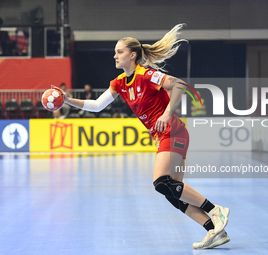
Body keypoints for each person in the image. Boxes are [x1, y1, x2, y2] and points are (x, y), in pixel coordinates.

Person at [54, 24, 230, 249]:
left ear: (132, 55)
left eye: (119, 52)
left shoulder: (146, 75)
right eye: (115, 52)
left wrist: (167, 113)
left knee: (160, 182)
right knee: (172, 193)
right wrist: (67, 100)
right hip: (164, 136)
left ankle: (215, 210)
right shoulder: (119, 82)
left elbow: (179, 85)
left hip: (173, 131)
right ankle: (214, 231)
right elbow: (97, 105)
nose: (115, 55)